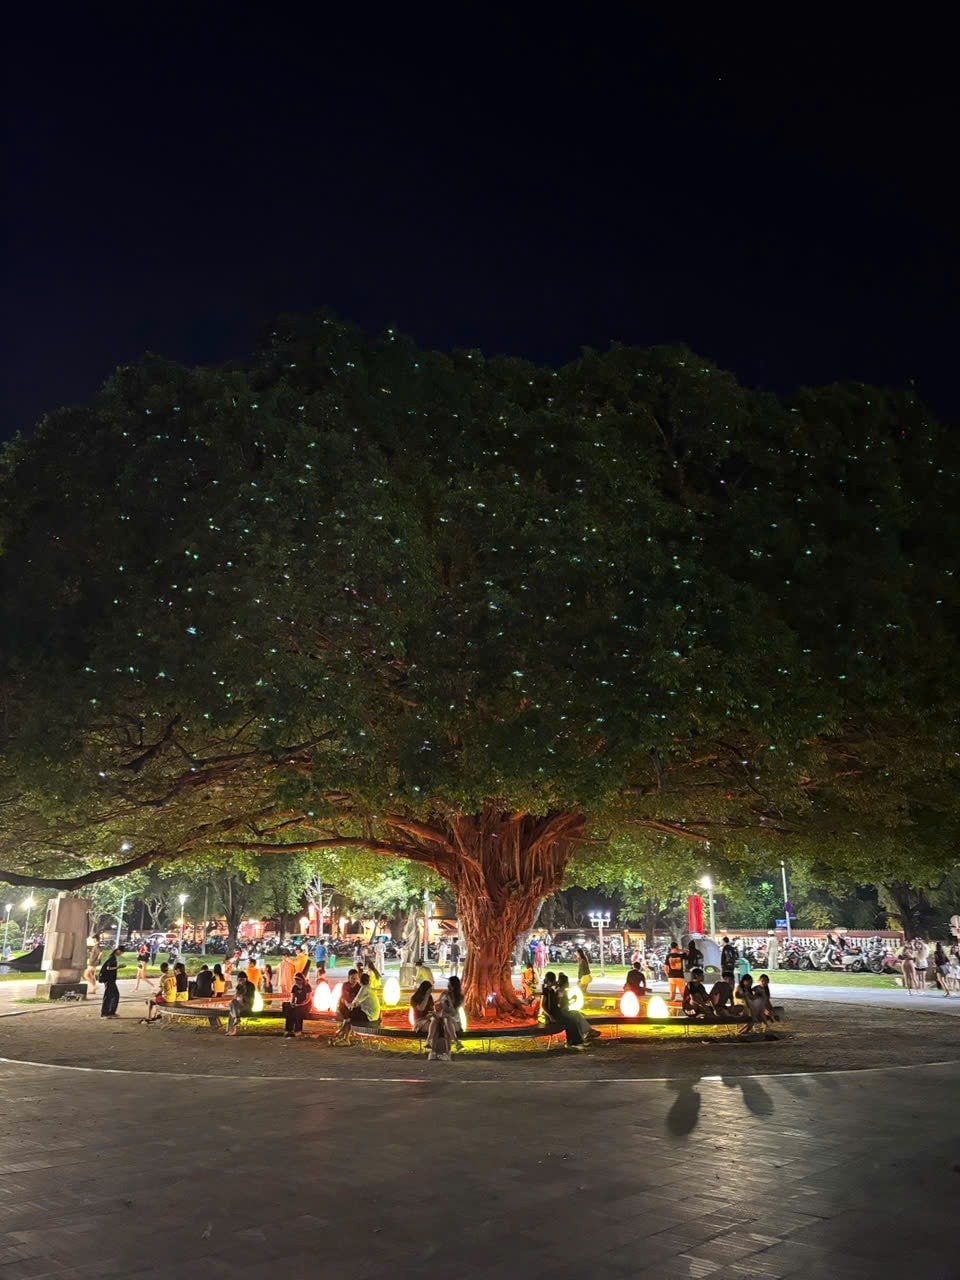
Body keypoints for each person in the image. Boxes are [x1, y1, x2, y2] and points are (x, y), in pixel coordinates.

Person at [333, 972, 381, 1044]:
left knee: (349, 1015)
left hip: (370, 1015)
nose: (355, 980)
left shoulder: (363, 989)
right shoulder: (367, 988)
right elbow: (357, 1003)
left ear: (360, 981)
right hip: (371, 1013)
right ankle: (342, 1034)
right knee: (350, 1014)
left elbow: (354, 1004)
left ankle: (344, 1036)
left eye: (356, 978)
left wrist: (346, 1003)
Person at [427, 974, 465, 1060]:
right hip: (441, 1019)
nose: (448, 986)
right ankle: (453, 1045)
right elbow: (437, 1005)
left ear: (454, 986)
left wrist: (450, 1001)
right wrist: (438, 1004)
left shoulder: (460, 998)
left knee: (447, 1021)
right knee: (441, 1023)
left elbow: (454, 1013)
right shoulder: (444, 993)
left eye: (450, 984)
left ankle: (446, 1053)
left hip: (455, 1022)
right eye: (448, 984)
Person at [557, 973, 600, 1045]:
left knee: (576, 1015)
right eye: (567, 982)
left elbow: (563, 1004)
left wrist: (572, 1000)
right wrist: (572, 1000)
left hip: (564, 1011)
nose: (568, 984)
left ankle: (585, 1033)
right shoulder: (561, 992)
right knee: (576, 1017)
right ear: (565, 983)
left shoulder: (561, 991)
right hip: (563, 1013)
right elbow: (562, 1006)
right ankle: (586, 1032)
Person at [283, 971, 313, 1038]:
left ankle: (298, 1030)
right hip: (297, 1004)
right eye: (295, 979)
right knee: (289, 1010)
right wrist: (292, 1003)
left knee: (298, 1011)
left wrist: (300, 1005)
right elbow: (292, 998)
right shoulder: (294, 987)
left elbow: (308, 999)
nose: (296, 981)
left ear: (302, 980)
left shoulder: (307, 986)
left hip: (306, 1005)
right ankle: (288, 1030)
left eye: (298, 979)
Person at [99, 946, 124, 1018]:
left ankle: (111, 1012)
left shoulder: (114, 958)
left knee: (115, 995)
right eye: (121, 952)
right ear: (118, 951)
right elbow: (108, 968)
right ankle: (105, 1013)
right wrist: (118, 967)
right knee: (109, 995)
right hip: (108, 979)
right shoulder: (112, 958)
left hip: (111, 979)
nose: (121, 954)